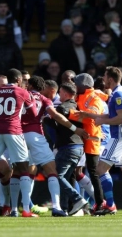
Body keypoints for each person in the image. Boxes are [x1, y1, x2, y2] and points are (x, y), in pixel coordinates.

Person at [74, 66, 122, 216]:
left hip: (119, 137)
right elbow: (110, 115)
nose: (103, 80)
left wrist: (103, 121)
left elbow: (121, 118)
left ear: (110, 79)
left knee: (100, 169)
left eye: (105, 77)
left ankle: (110, 205)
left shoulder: (118, 94)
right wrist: (91, 116)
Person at [21, 76, 88, 216]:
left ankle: (21, 209)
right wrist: (76, 130)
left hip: (17, 134)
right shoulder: (45, 100)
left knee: (18, 172)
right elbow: (57, 116)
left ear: (30, 85)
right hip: (37, 136)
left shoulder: (21, 94)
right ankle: (61, 205)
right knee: (53, 172)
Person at [0, 68, 37, 217]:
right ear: (19, 80)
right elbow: (33, 114)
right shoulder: (22, 92)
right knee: (24, 168)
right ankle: (25, 209)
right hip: (14, 130)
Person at [43, 82, 87, 215]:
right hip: (79, 147)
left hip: (67, 146)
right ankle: (64, 208)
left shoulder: (62, 108)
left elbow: (58, 127)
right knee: (65, 179)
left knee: (57, 176)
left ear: (65, 93)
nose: (59, 95)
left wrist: (46, 120)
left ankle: (77, 198)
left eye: (60, 92)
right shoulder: (79, 106)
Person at [68, 73, 105, 213]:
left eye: (76, 83)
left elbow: (91, 116)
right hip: (78, 139)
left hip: (91, 139)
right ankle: (74, 204)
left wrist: (69, 114)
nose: (75, 86)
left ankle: (100, 204)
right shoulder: (79, 96)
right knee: (73, 171)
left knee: (93, 173)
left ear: (84, 85)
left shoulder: (94, 98)